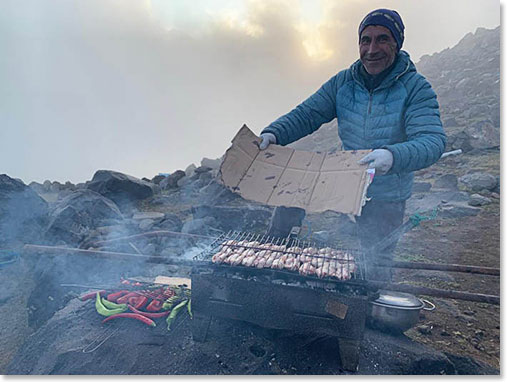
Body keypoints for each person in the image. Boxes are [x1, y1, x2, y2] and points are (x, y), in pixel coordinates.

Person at [259, 9, 447, 281]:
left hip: (385, 192)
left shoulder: (416, 88)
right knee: (289, 202)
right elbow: (308, 114)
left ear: (397, 43)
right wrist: (274, 133)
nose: (372, 49)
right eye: (365, 40)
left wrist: (391, 156)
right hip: (346, 178)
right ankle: (265, 270)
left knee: (375, 262)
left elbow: (432, 141)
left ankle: (369, 313)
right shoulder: (344, 82)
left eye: (382, 39)